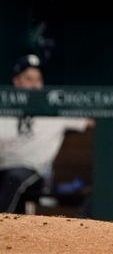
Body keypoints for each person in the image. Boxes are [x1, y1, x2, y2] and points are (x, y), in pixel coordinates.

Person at [0, 54, 90, 213]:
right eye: (29, 79)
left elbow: (92, 120)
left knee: (14, 179)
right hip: (4, 167)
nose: (34, 85)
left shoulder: (53, 110)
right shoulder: (5, 108)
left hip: (34, 171)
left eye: (37, 79)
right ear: (17, 81)